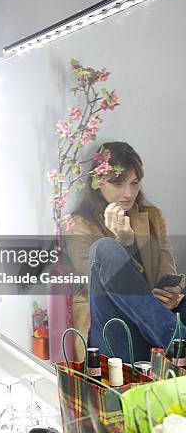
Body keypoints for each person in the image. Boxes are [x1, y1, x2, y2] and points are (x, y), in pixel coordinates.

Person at [66, 141, 186, 362]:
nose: (128, 193)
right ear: (98, 183)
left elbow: (168, 275)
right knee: (105, 248)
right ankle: (177, 341)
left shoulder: (152, 216)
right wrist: (125, 242)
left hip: (154, 325)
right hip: (113, 330)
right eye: (118, 183)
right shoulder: (79, 225)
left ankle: (177, 342)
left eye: (134, 183)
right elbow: (97, 286)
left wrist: (172, 293)